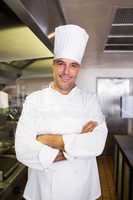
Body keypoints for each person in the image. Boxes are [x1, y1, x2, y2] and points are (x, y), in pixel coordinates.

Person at [15, 24, 108, 200]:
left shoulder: (90, 100)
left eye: (73, 65)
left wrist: (49, 140)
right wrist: (77, 145)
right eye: (61, 63)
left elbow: (97, 143)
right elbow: (22, 149)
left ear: (78, 68)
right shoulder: (34, 100)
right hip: (43, 190)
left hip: (82, 189)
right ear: (53, 65)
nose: (66, 72)